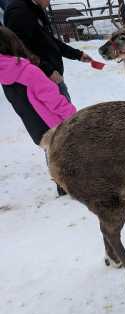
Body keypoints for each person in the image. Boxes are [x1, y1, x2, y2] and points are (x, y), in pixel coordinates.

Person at [0, 26, 76, 195]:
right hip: (57, 125)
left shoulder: (4, 75)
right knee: (71, 156)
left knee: (53, 155)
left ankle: (62, 186)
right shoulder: (28, 71)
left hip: (36, 128)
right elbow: (54, 100)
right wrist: (74, 117)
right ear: (14, 44)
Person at [4, 0, 91, 101]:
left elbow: (49, 40)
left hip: (52, 77)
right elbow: (20, 50)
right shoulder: (19, 12)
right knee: (63, 115)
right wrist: (48, 71)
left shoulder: (35, 8)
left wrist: (78, 55)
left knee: (67, 111)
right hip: (41, 82)